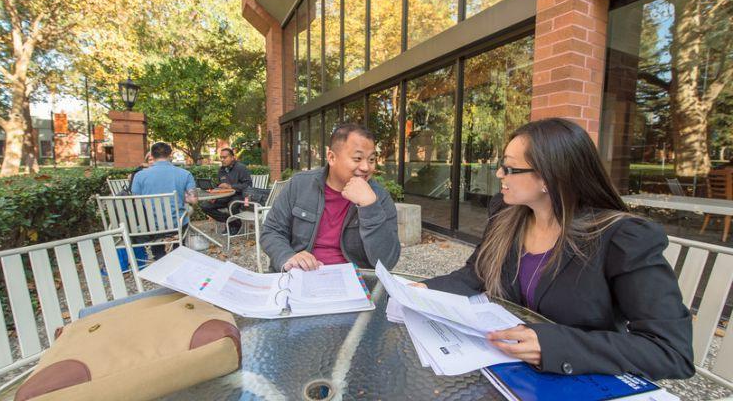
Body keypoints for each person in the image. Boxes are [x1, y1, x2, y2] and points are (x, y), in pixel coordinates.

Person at [414, 118, 693, 380]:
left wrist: (551, 346)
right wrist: (422, 291)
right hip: (506, 366)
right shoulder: (507, 214)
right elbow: (477, 273)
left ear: (549, 177)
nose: (499, 174)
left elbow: (670, 351)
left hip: (579, 378)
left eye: (510, 168)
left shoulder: (622, 238)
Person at [261, 123, 401, 272]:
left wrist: (369, 206)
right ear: (331, 157)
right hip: (301, 275)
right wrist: (288, 257)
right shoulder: (300, 184)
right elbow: (271, 231)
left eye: (371, 160)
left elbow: (387, 261)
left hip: (355, 283)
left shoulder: (379, 197)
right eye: (357, 158)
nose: (366, 167)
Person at [131, 142, 198, 259]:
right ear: (170, 155)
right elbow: (194, 200)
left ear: (152, 155)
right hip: (176, 224)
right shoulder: (185, 174)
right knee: (185, 214)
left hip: (150, 227)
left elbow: (136, 200)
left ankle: (159, 256)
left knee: (152, 222)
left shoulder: (139, 175)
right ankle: (178, 252)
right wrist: (184, 197)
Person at [199, 148, 252, 235]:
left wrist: (230, 186)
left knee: (232, 205)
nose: (222, 159)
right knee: (205, 206)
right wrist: (214, 196)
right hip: (225, 196)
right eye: (221, 157)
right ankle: (231, 222)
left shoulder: (241, 168)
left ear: (232, 157)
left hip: (240, 196)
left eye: (225, 157)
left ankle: (235, 225)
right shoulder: (221, 170)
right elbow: (219, 186)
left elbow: (248, 185)